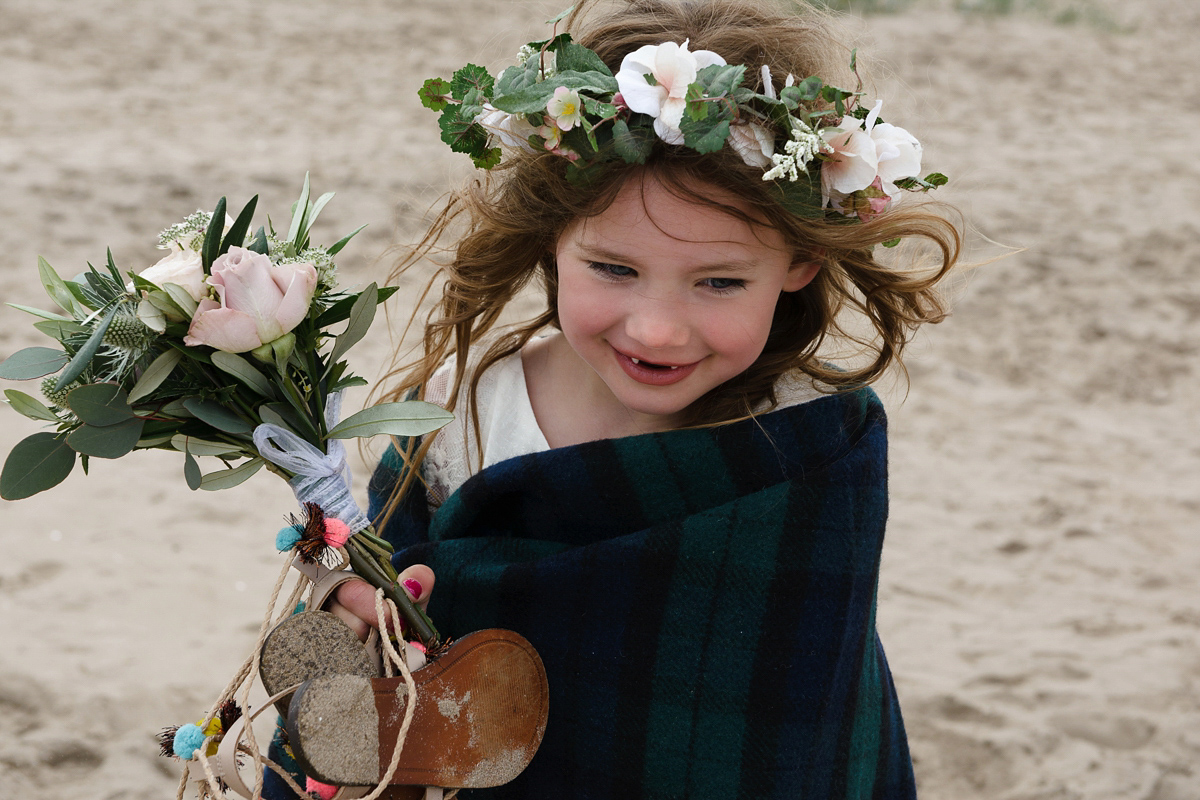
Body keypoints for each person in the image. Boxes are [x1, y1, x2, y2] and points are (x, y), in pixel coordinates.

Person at [287, 0, 962, 797]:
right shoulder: (459, 418)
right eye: (614, 269)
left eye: (719, 281)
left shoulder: (813, 442)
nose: (658, 330)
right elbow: (366, 614)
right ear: (551, 238)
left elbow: (805, 723)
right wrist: (348, 599)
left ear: (801, 264)